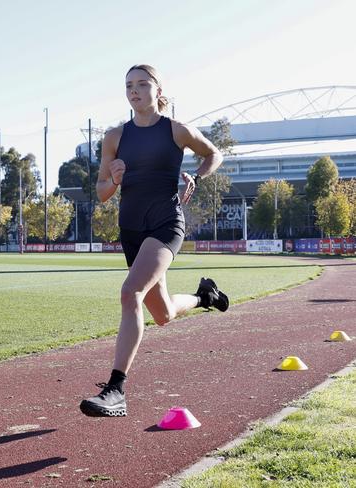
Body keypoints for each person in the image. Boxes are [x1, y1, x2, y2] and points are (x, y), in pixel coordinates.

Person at [79, 64, 229, 418]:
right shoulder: (115, 137)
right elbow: (101, 192)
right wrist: (113, 180)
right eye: (128, 85)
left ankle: (116, 390)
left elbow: (214, 153)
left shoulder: (177, 131)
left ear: (158, 90)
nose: (134, 90)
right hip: (130, 229)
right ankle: (204, 295)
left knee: (130, 293)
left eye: (142, 84)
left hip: (164, 225)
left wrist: (197, 174)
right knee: (161, 314)